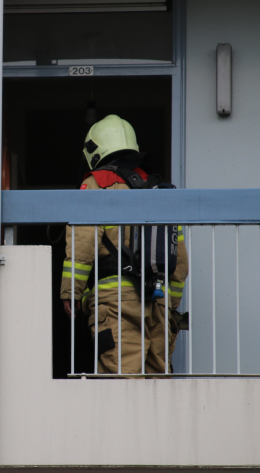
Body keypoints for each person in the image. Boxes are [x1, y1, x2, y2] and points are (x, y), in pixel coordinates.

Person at [60, 114, 188, 375]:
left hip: (115, 303)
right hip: (158, 304)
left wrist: (70, 292)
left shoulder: (97, 184)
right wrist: (170, 306)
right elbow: (180, 262)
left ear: (95, 149)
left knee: (120, 385)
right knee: (158, 386)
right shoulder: (157, 190)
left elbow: (83, 242)